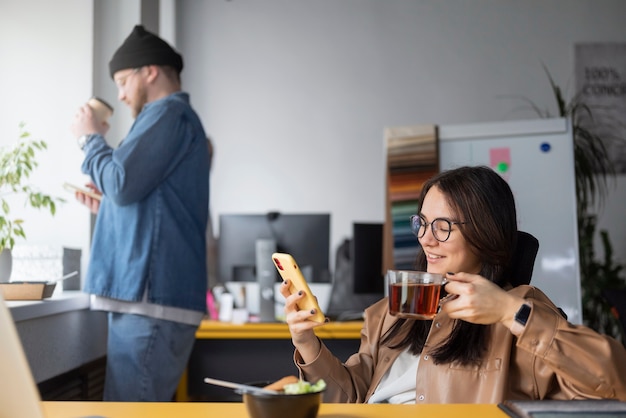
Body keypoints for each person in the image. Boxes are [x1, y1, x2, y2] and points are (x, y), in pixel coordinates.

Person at [280, 165, 626, 404]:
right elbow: (351, 400)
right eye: (422, 223)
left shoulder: (519, 308)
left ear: (483, 233)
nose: (426, 240)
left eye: (443, 226)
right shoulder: (391, 312)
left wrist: (508, 311)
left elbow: (612, 384)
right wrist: (307, 343)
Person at [70, 25, 210, 401]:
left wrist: (89, 139)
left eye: (122, 81)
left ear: (149, 71)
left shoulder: (167, 114)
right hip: (153, 302)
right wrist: (110, 208)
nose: (119, 93)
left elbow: (121, 181)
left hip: (151, 304)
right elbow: (138, 196)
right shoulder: (175, 120)